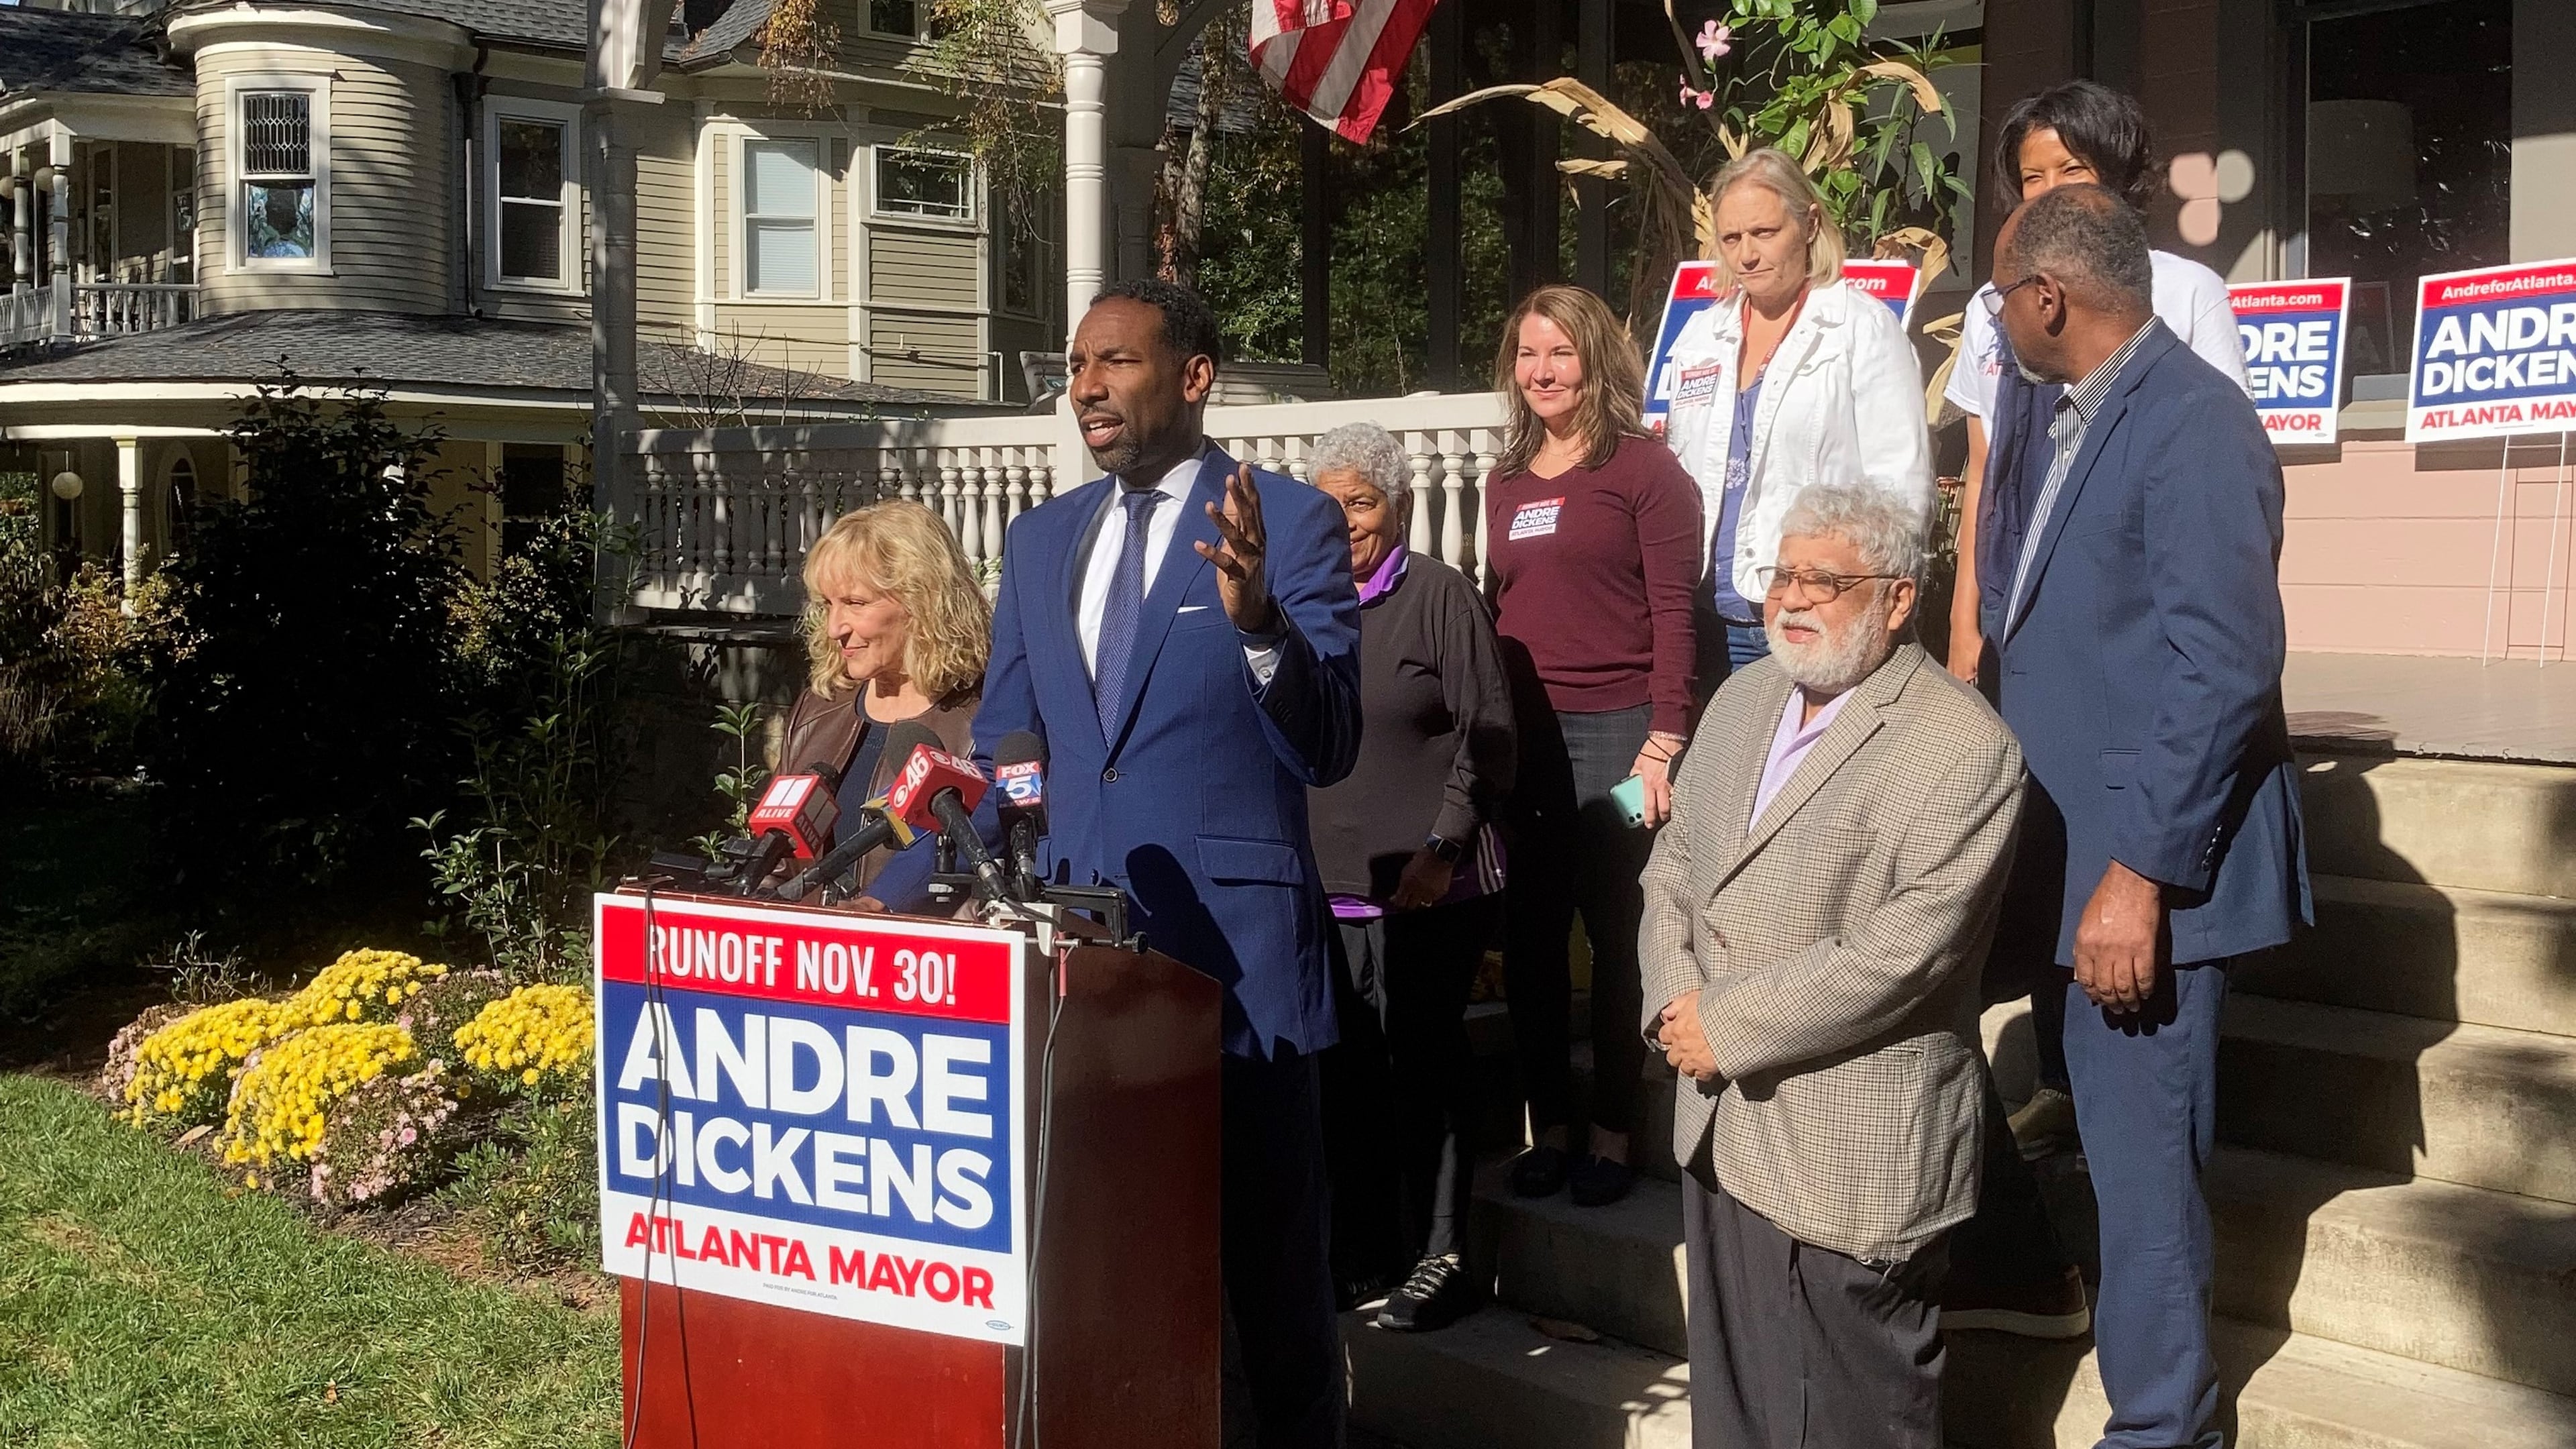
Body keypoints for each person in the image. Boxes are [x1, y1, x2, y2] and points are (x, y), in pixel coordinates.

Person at [865, 278, 1362, 1448]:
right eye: (1077, 367)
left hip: (1240, 979)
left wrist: (1258, 624)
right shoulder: (1043, 541)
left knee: (1275, 1286)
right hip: (1081, 981)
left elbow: (1331, 743)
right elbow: (1007, 743)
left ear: (1195, 375)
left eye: (1116, 363)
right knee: (1107, 1276)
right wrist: (898, 893)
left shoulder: (1289, 522)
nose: (1086, 388)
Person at [1982, 184, 2310, 1449]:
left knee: (2143, 1176)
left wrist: (2140, 876)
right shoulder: (2082, 412)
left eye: (2001, 297)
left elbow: (2224, 669)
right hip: (2073, 860)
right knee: (2113, 1162)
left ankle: (2165, 1428)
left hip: (2145, 876)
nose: (1995, 320)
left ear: (2050, 297)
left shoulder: (2192, 422)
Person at [1642, 484, 2025, 1449]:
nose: (1792, 600)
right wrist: (1673, 996)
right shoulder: (1743, 699)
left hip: (1846, 1159)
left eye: (1824, 581)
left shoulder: (1965, 747)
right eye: (1782, 576)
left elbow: (1903, 953)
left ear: (1898, 599)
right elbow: (1675, 863)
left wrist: (1724, 1024)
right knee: (1735, 1416)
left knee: (1849, 1425)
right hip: (1720, 1124)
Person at [1943, 80, 2256, 1174]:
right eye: (2027, 177)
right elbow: (1985, 476)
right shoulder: (2001, 314)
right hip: (2032, 634)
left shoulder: (2177, 304)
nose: (2044, 191)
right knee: (2041, 854)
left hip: (2125, 636)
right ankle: (2064, 1087)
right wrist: (1969, 635)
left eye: (2066, 172)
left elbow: (2206, 500)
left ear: (2117, 174)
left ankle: (2105, 1115)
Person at [1482, 283, 1702, 1210]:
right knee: (1533, 941)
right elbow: (1501, 602)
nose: (1542, 372)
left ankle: (1612, 1131)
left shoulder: (1646, 471)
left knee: (1618, 940)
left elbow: (1675, 614)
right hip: (1527, 739)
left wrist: (1664, 740)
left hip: (1620, 732)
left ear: (1596, 360)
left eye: (1561, 353)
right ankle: (1553, 1128)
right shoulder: (1505, 478)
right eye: (1528, 354)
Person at [1303, 421, 1517, 1332]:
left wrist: (1445, 847)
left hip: (1431, 887)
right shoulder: (1303, 602)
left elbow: (1491, 735)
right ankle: (1367, 1249)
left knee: (1426, 1070)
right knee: (1349, 1079)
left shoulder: (1439, 596)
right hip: (1330, 888)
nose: (1347, 521)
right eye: (1331, 506)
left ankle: (1445, 1256)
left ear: (1395, 504)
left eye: (1363, 502)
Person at [1662, 147, 1934, 684]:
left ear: (1809, 224)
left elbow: (1901, 488)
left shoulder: (1861, 328)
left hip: (1809, 615)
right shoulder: (1700, 336)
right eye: (1731, 238)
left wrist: (1879, 610)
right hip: (1701, 614)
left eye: (1764, 233)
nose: (1747, 255)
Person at [775, 500, 985, 896]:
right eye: (828, 605)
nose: (834, 628)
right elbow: (779, 864)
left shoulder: (987, 718)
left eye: (855, 603)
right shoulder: (817, 709)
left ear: (922, 601)